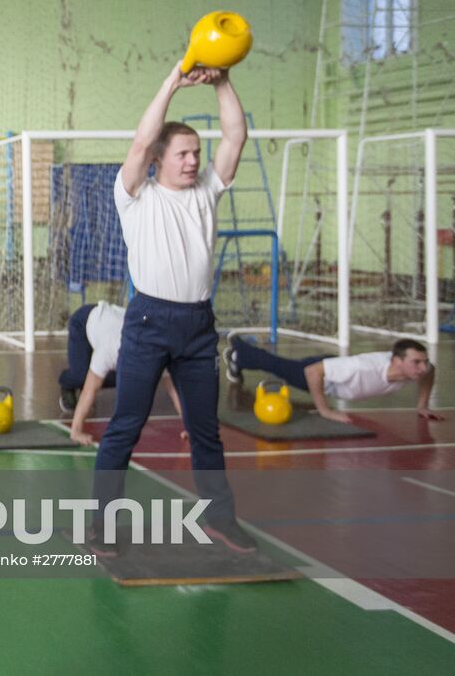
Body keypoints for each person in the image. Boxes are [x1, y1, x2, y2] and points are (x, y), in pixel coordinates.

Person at [89, 61, 257, 557]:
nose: (192, 161)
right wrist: (173, 83)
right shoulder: (135, 196)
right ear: (160, 159)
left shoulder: (207, 190)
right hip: (148, 323)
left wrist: (222, 81)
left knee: (206, 431)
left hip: (198, 327)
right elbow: (140, 143)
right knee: (126, 426)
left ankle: (221, 519)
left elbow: (236, 134)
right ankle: (102, 524)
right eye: (183, 153)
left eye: (196, 154)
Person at [225, 334, 443, 424]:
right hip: (324, 375)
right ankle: (237, 353)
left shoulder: (417, 369)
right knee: (279, 366)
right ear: (396, 361)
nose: (422, 368)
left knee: (281, 365)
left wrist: (422, 405)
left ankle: (240, 349)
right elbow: (313, 373)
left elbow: (430, 371)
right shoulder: (363, 368)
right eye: (416, 362)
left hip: (333, 369)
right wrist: (325, 410)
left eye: (423, 362)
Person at [61, 302, 187, 447]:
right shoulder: (109, 349)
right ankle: (65, 383)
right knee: (81, 376)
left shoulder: (156, 352)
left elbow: (174, 390)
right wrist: (76, 431)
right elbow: (89, 389)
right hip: (84, 320)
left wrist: (190, 428)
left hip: (112, 320)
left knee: (120, 378)